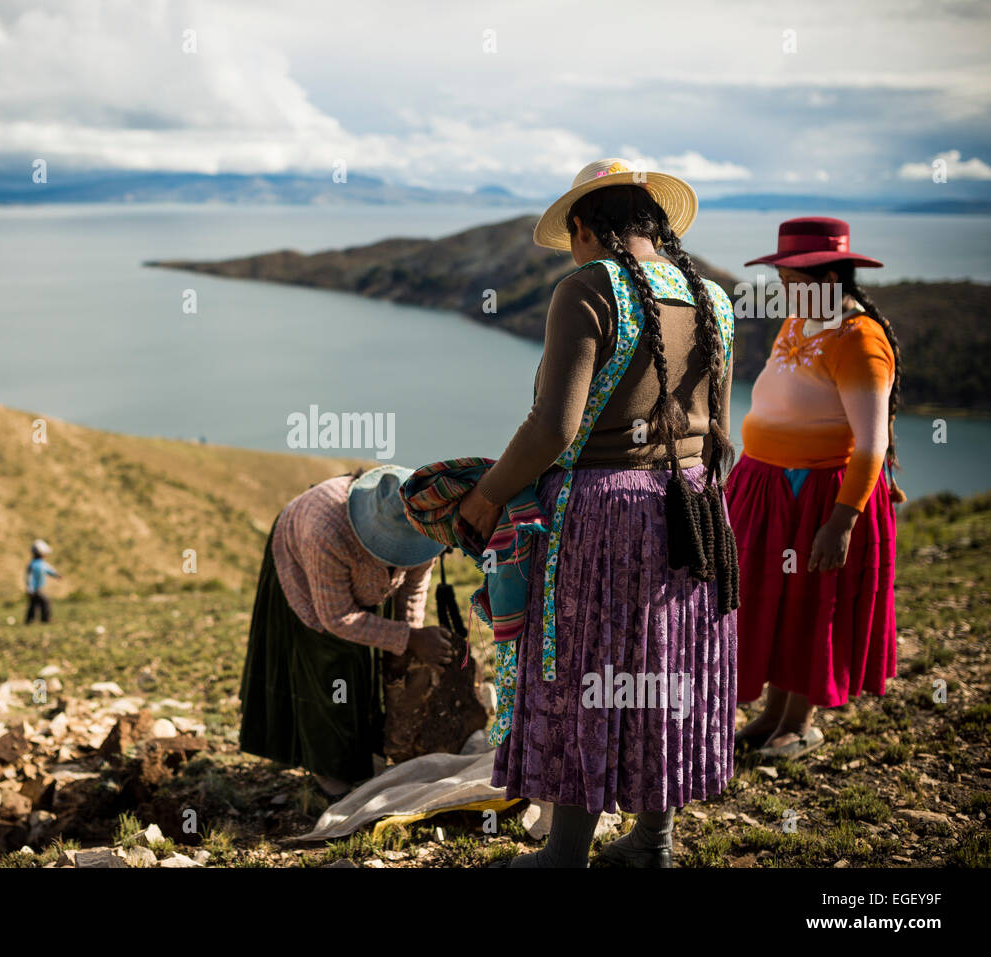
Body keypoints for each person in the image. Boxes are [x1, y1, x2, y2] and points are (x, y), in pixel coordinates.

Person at [457, 158, 739, 867]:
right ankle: (653, 840)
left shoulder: (587, 290)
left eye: (573, 234)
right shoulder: (713, 299)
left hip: (604, 514)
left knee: (580, 670)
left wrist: (488, 492)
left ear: (586, 227)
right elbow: (722, 432)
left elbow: (553, 428)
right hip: (696, 507)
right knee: (663, 668)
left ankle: (564, 855)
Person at [726, 218, 900, 759]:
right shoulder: (801, 321)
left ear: (826, 276)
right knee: (775, 601)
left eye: (790, 276)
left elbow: (871, 445)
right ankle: (773, 715)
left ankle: (799, 724)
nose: (782, 287)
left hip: (822, 496)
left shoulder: (861, 341)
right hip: (772, 487)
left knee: (810, 604)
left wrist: (842, 520)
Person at [238, 465, 453, 797]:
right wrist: (409, 639)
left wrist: (406, 641)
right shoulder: (324, 533)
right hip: (307, 570)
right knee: (331, 666)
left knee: (370, 663)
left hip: (367, 581)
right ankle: (330, 767)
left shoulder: (424, 523)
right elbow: (336, 618)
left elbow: (412, 587)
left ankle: (364, 750)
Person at [25, 539, 60, 624]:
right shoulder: (34, 565)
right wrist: (30, 589)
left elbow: (49, 570)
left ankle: (30, 620)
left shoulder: (40, 564)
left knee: (33, 605)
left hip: (38, 589)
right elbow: (30, 578)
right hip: (36, 589)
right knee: (45, 602)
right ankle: (45, 619)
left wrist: (56, 575)